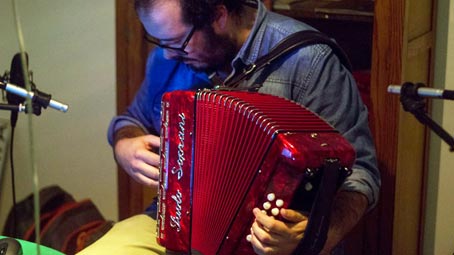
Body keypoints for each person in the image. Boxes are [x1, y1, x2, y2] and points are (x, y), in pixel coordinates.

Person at [78, 0, 380, 254]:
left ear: (219, 16)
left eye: (176, 43)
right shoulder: (167, 57)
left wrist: (312, 236)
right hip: (176, 226)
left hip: (272, 244)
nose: (168, 54)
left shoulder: (309, 60)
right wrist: (125, 144)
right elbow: (132, 120)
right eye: (160, 42)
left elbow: (361, 173)